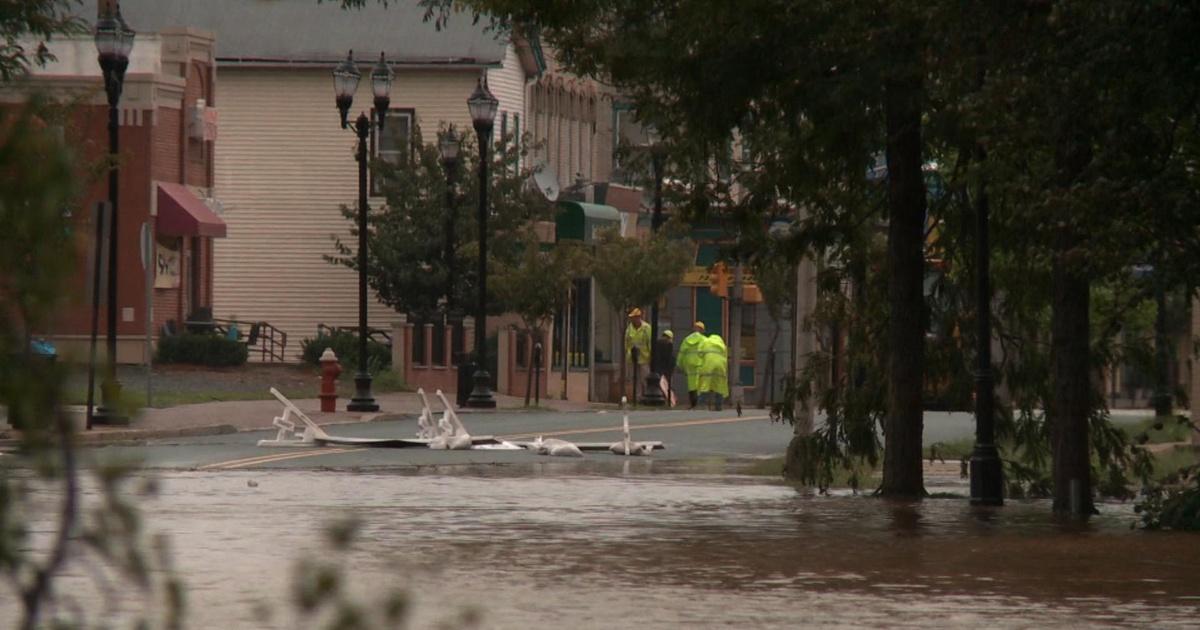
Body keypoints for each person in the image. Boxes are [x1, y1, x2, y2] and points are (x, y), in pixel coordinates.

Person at [676, 321, 707, 409]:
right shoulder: (704, 340)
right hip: (700, 363)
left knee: (691, 384)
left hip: (689, 364)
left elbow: (681, 352)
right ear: (702, 330)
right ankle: (699, 404)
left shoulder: (687, 339)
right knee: (700, 383)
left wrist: (679, 364)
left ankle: (693, 403)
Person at [624, 307, 652, 398]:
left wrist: (651, 356)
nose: (633, 319)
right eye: (632, 317)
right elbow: (626, 343)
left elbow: (650, 342)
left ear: (639, 317)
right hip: (632, 358)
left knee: (645, 378)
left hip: (644, 357)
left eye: (635, 317)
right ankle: (637, 397)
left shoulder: (646, 328)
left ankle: (647, 395)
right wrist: (627, 353)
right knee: (635, 379)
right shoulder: (629, 329)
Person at [697, 332, 729, 411]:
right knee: (719, 386)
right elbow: (725, 357)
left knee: (705, 385)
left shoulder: (706, 341)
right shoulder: (722, 345)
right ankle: (718, 406)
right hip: (720, 366)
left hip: (708, 364)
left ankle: (702, 405)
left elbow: (699, 353)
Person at [652, 329, 676, 405]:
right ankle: (669, 401)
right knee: (667, 385)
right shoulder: (669, 344)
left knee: (661, 385)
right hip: (666, 368)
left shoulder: (657, 343)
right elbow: (669, 357)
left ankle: (667, 400)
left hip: (658, 368)